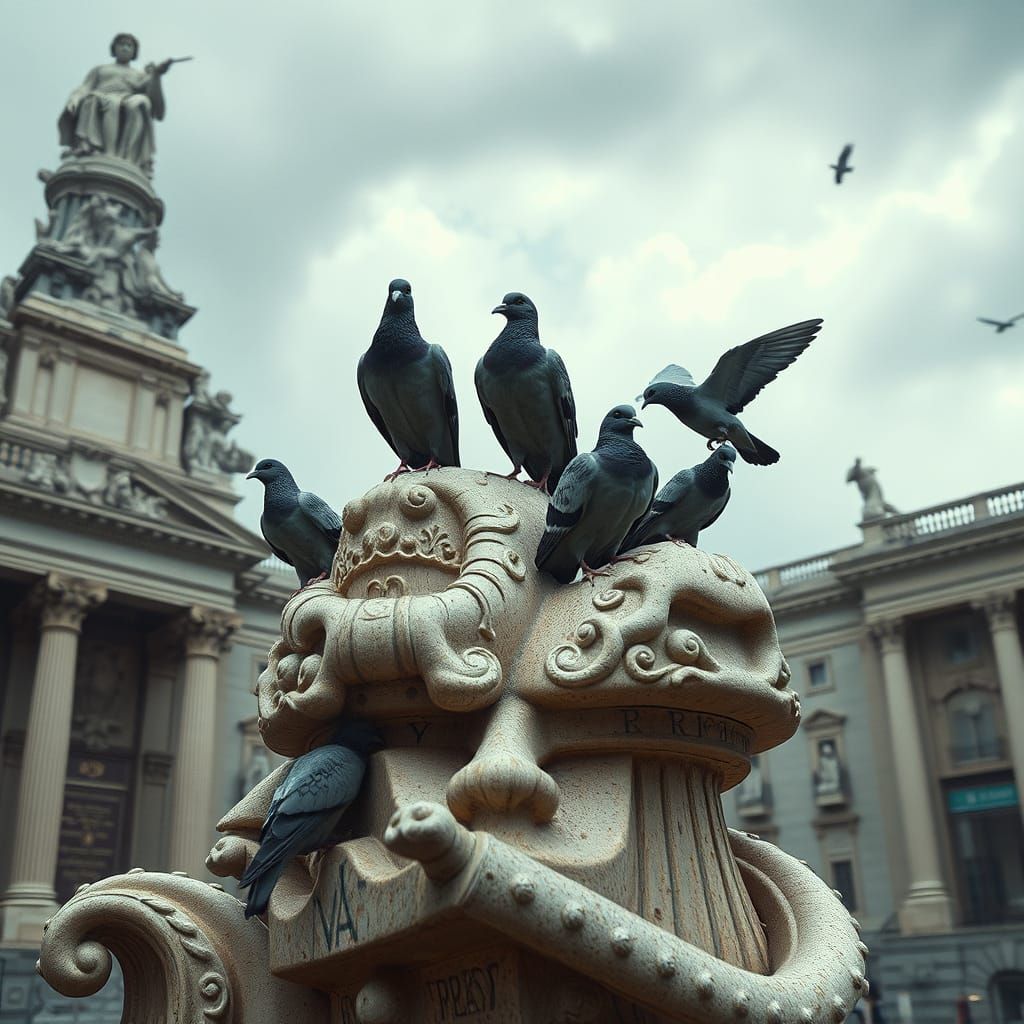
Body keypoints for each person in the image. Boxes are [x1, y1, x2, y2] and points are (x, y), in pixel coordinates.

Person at [59, 33, 174, 173]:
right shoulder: (101, 69)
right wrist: (75, 98)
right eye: (122, 45)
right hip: (101, 97)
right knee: (103, 101)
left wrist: (156, 75)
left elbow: (157, 108)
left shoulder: (139, 75)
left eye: (129, 46)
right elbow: (85, 87)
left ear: (134, 52)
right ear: (114, 49)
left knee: (141, 102)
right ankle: (107, 151)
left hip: (126, 99)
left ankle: (127, 156)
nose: (125, 48)